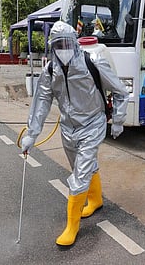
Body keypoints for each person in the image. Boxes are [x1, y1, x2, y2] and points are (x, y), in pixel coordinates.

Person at [21, 21, 129, 247]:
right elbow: (41, 102)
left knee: (80, 174)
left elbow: (120, 91)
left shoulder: (93, 62)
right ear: (52, 47)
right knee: (81, 166)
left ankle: (71, 226)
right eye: (58, 44)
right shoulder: (51, 70)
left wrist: (118, 121)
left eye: (67, 43)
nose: (63, 48)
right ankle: (96, 200)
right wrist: (32, 134)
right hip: (68, 128)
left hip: (92, 124)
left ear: (75, 43)